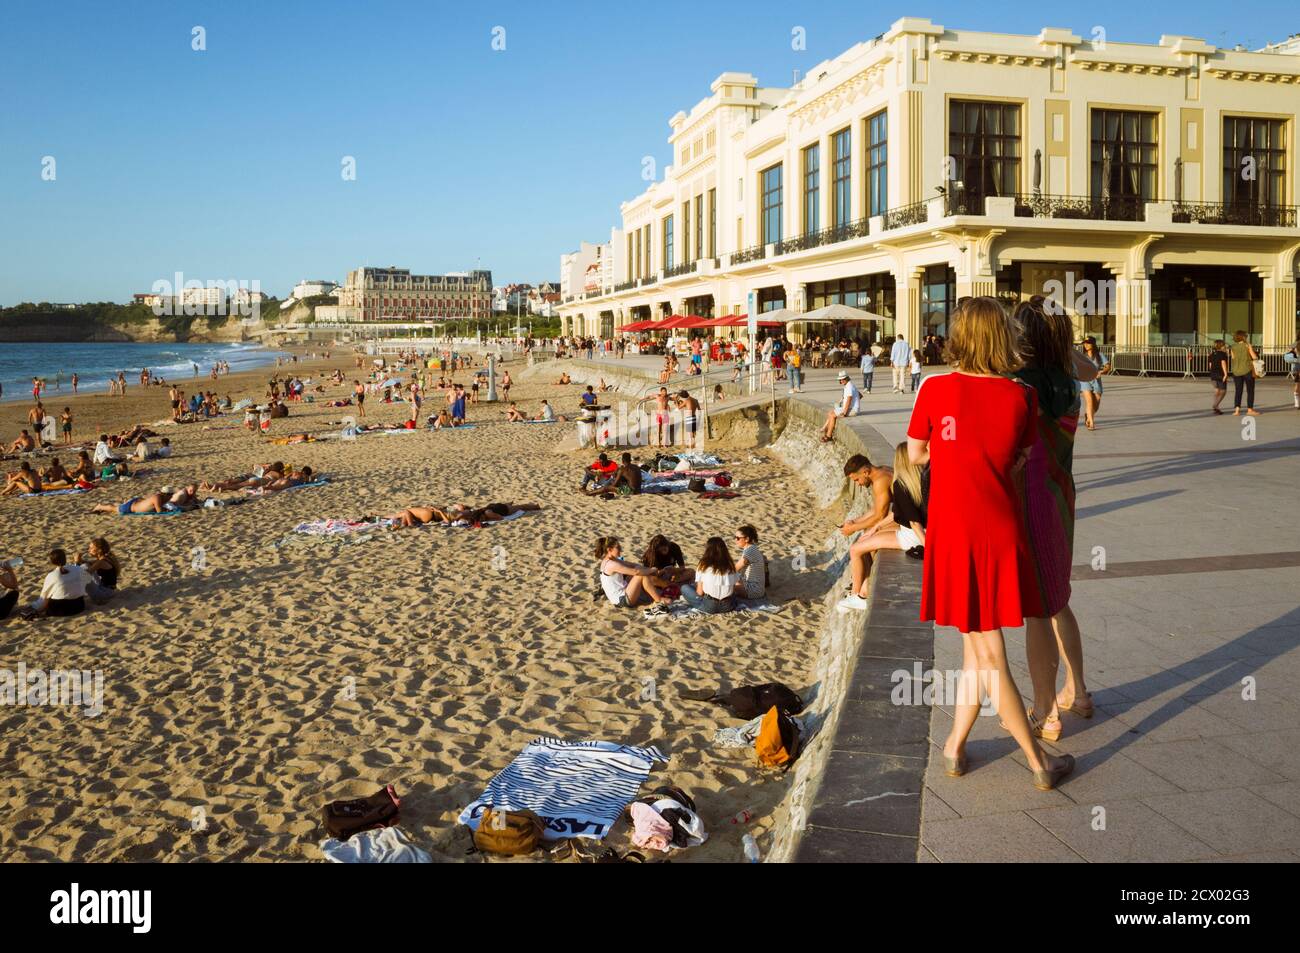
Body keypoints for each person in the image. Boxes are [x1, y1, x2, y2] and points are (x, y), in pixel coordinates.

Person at [906, 296, 1073, 790]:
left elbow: (916, 454)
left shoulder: (935, 388)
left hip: (953, 529)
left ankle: (1037, 760)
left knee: (986, 651)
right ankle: (956, 747)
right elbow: (1020, 458)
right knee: (976, 651)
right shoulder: (1020, 396)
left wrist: (952, 452)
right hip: (998, 528)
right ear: (1004, 338)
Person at [1012, 297, 1097, 741]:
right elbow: (1092, 369)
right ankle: (1079, 691)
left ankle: (1045, 711)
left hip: (1030, 502)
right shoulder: (1067, 378)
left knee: (1037, 612)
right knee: (1058, 598)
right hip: (1063, 496)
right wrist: (1058, 341)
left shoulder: (1019, 385)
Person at [838, 442, 927, 612]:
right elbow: (880, 510)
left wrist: (855, 529)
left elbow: (880, 514)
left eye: (857, 479)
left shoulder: (881, 482)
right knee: (868, 535)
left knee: (856, 549)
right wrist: (857, 522)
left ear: (865, 471)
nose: (857, 484)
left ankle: (858, 594)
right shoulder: (887, 472)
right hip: (909, 524)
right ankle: (864, 583)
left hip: (910, 531)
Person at [595, 536, 673, 612]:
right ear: (609, 549)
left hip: (620, 596)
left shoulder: (611, 559)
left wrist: (648, 569)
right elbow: (636, 572)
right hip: (622, 600)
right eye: (618, 547)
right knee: (640, 576)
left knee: (639, 575)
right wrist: (653, 570)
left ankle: (658, 591)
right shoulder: (611, 564)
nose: (620, 549)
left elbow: (632, 565)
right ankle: (659, 600)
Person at [681, 537, 740, 614]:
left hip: (710, 606)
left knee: (684, 588)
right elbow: (733, 588)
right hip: (728, 606)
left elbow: (700, 593)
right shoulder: (730, 564)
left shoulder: (703, 565)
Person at [33, 549, 88, 617]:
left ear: (52, 562)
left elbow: (43, 597)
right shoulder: (78, 569)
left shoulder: (52, 575)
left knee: (48, 596)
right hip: (79, 606)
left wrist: (33, 607)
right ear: (65, 558)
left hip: (60, 610)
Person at [1077, 337, 1109, 430]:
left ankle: (1088, 414)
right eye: (1084, 343)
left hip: (1096, 381)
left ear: (1093, 344)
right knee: (1089, 401)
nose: (1085, 345)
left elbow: (1108, 366)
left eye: (1088, 343)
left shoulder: (1099, 355)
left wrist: (1101, 372)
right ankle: (1091, 422)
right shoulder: (1082, 356)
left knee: (1096, 403)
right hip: (1085, 380)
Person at [820, 372, 861, 442]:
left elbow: (849, 399)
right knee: (830, 412)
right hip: (851, 408)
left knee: (832, 415)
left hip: (852, 410)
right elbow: (860, 395)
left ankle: (829, 436)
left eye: (841, 380)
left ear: (845, 379)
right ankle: (825, 429)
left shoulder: (849, 387)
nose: (840, 381)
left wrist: (844, 413)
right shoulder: (850, 385)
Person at [1229, 329, 1261, 417]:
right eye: (1245, 336)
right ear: (1243, 337)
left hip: (1236, 371)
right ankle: (1250, 409)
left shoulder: (1232, 347)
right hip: (1247, 370)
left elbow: (1233, 358)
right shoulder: (1247, 345)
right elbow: (1254, 357)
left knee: (1238, 390)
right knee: (1250, 390)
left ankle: (1237, 410)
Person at [80, 538, 121, 603]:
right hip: (107, 589)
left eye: (91, 548)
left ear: (99, 550)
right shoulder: (105, 558)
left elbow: (85, 575)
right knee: (85, 566)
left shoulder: (101, 562)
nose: (88, 550)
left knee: (83, 575)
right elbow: (89, 564)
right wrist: (80, 560)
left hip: (105, 593)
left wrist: (76, 562)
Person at [733, 525, 767, 600]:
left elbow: (735, 568)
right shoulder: (751, 548)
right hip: (755, 588)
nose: (735, 540)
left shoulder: (750, 550)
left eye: (738, 538)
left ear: (747, 539)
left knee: (727, 583)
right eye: (735, 537)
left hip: (754, 590)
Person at [1208, 339, 1230, 415]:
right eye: (1224, 345)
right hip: (1220, 374)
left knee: (1217, 390)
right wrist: (1225, 374)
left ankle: (1216, 407)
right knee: (1223, 391)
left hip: (1213, 374)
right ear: (1221, 346)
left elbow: (1210, 366)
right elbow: (1223, 363)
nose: (1225, 346)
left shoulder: (1211, 354)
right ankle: (1216, 404)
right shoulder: (1223, 354)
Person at [1286, 338, 1300, 410]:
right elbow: (1287, 357)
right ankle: (1297, 403)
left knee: (1298, 385)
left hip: (1296, 368)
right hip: (1297, 368)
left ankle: (1297, 403)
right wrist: (1297, 359)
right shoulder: (1294, 344)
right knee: (1297, 384)